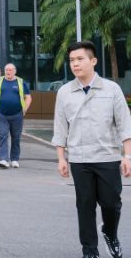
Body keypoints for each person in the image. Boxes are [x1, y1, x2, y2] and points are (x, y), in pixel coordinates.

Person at [52, 41, 131, 258]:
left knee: (112, 203)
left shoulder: (111, 89)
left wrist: (127, 156)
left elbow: (125, 124)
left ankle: (110, 233)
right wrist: (61, 158)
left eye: (80, 59)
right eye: (72, 60)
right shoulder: (65, 92)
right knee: (85, 206)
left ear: (93, 61)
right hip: (79, 158)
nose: (75, 64)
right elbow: (60, 128)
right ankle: (89, 250)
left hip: (107, 156)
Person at [0, 63, 32, 169]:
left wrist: (24, 110)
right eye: (7, 70)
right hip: (1, 114)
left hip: (17, 114)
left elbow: (28, 97)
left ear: (15, 71)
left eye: (10, 70)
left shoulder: (20, 82)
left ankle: (14, 159)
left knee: (16, 137)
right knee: (3, 135)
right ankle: (3, 159)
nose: (8, 72)